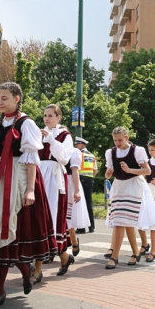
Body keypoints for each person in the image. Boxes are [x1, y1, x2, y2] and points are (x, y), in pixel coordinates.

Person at [0, 82, 57, 309]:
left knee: (10, 230)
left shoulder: (26, 123)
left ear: (17, 98)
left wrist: (30, 189)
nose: (1, 102)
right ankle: (25, 269)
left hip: (19, 178)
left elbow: (32, 158)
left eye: (4, 98)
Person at [104, 127, 155, 269]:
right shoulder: (110, 152)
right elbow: (107, 174)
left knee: (124, 222)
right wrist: (108, 173)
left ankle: (115, 256)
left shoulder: (137, 150)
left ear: (127, 138)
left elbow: (147, 170)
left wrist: (129, 170)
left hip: (134, 186)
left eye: (120, 140)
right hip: (118, 186)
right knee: (120, 221)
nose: (117, 143)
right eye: (115, 140)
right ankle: (135, 252)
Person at [32, 104, 76, 281]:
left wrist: (51, 140)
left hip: (55, 177)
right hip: (38, 175)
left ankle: (38, 269)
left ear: (59, 117)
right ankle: (64, 257)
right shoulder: (37, 133)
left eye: (50, 115)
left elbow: (64, 158)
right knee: (38, 218)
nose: (46, 118)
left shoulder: (65, 136)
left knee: (49, 218)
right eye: (44, 115)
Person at [66, 147, 90, 259]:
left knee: (68, 217)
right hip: (56, 180)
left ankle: (74, 241)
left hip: (69, 181)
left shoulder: (74, 151)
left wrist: (76, 190)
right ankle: (57, 246)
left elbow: (75, 170)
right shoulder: (53, 147)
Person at [75, 137, 98, 234]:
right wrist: (91, 177)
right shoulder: (92, 156)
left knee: (80, 203)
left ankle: (81, 228)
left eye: (77, 144)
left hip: (81, 179)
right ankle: (91, 226)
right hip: (89, 180)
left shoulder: (79, 154)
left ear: (82, 144)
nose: (75, 146)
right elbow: (95, 170)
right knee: (89, 203)